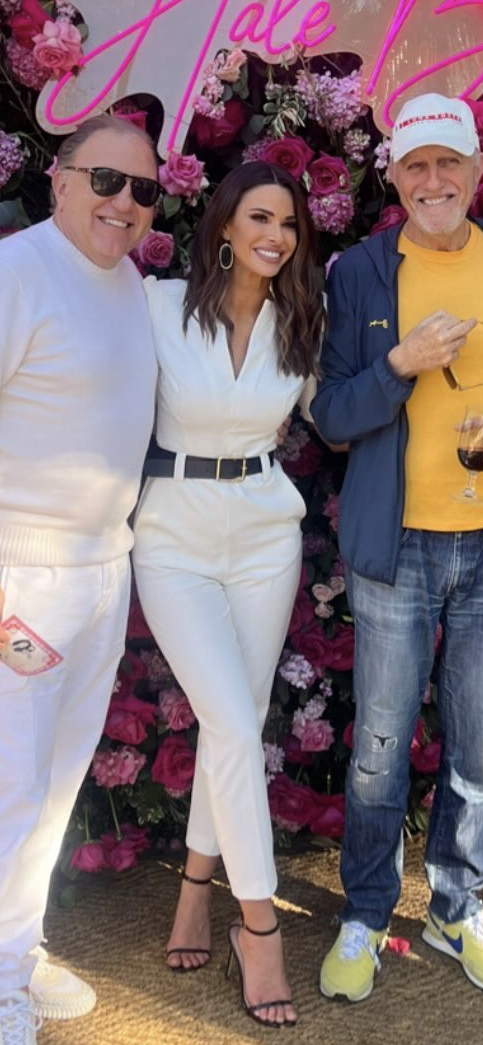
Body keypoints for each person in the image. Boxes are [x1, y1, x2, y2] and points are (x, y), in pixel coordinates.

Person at [133, 160, 323, 1027]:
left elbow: (337, 412)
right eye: (259, 217)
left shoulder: (302, 320)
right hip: (172, 535)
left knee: (233, 723)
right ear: (222, 226)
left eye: (287, 223)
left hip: (263, 535)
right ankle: (259, 927)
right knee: (238, 727)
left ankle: (193, 891)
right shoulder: (159, 306)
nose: (275, 236)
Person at [311, 92, 483, 1003]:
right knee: (379, 745)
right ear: (393, 179)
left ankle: (457, 906)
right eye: (415, 165)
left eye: (448, 162)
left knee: (478, 743)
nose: (433, 180)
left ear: (474, 170)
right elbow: (332, 416)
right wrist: (399, 365)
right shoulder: (363, 273)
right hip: (396, 546)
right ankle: (367, 912)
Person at [0, 114, 159, 1044]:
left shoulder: (128, 282)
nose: (124, 203)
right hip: (23, 577)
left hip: (103, 568)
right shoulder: (17, 273)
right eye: (106, 180)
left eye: (144, 190)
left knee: (55, 785)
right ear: (58, 180)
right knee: (12, 786)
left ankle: (15, 950)